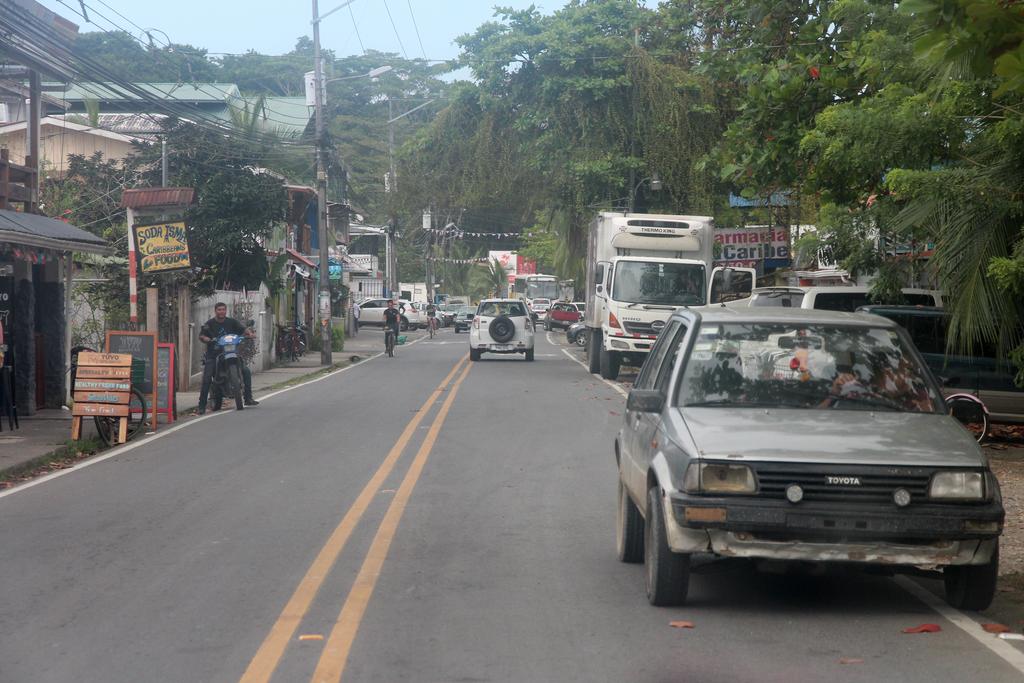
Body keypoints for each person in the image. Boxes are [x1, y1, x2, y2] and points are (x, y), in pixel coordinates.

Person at [197, 302, 258, 414]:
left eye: (223, 309)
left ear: (226, 311)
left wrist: (250, 334)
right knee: (207, 378)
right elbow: (202, 335)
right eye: (219, 310)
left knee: (246, 371)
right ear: (215, 311)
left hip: (231, 352)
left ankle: (248, 398)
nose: (221, 312)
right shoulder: (210, 324)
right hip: (214, 354)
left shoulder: (232, 322)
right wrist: (208, 339)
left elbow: (243, 329)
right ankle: (201, 406)